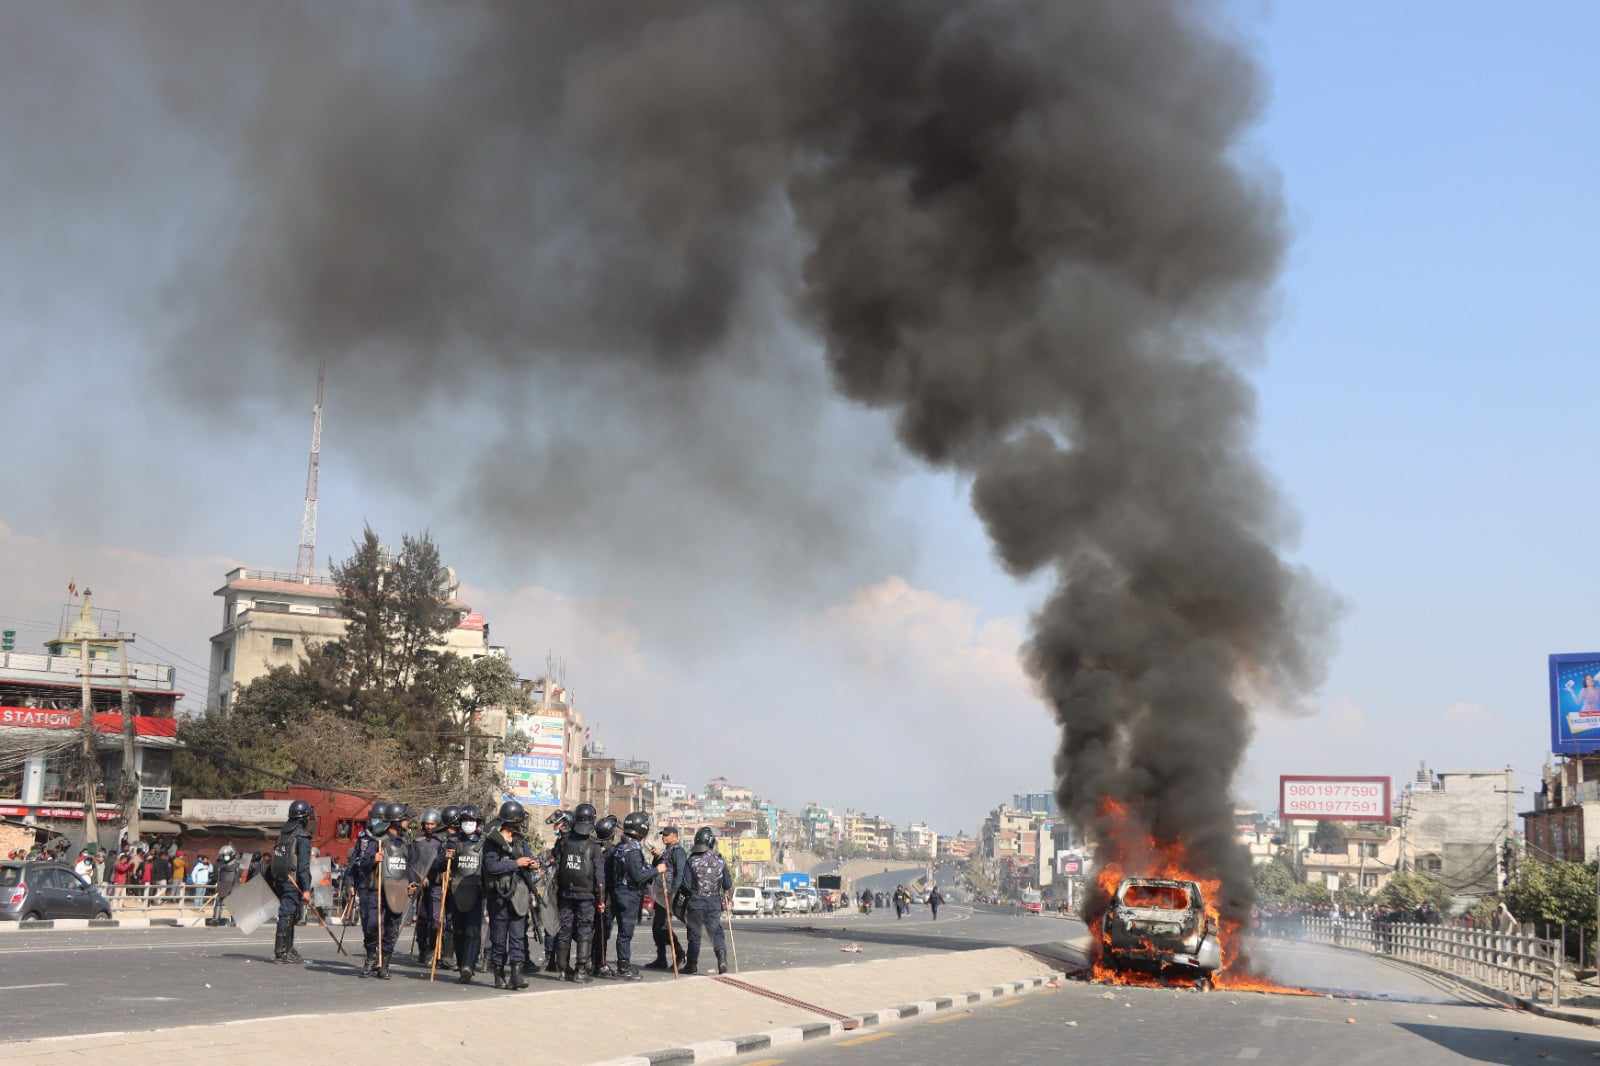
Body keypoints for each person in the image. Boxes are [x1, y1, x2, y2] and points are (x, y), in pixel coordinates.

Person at [482, 800, 541, 990]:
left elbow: (529, 858)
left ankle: (517, 975)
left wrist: (532, 864)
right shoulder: (493, 842)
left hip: (519, 894)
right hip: (499, 895)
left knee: (518, 936)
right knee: (499, 938)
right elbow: (491, 866)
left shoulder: (520, 841)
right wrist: (516, 863)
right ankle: (498, 973)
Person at [348, 801, 408, 978]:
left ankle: (385, 963)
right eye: (373, 818)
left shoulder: (399, 842)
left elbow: (406, 865)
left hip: (393, 888)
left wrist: (411, 883)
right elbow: (356, 863)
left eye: (379, 819)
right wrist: (372, 860)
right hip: (370, 887)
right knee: (370, 925)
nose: (375, 822)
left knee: (391, 926)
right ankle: (371, 957)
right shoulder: (366, 840)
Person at [553, 802, 606, 983]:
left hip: (565, 894)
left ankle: (562, 969)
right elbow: (600, 877)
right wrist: (601, 899)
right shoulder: (595, 847)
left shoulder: (564, 841)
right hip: (587, 896)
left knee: (564, 930)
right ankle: (581, 970)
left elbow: (557, 862)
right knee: (584, 931)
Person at [609, 811, 656, 981]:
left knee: (624, 932)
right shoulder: (633, 850)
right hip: (628, 895)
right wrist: (657, 870)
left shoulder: (620, 846)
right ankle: (623, 967)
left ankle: (623, 964)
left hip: (620, 893)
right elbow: (638, 876)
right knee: (625, 933)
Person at [268, 799, 314, 965]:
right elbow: (303, 866)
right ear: (303, 817)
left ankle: (288, 948)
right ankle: (281, 952)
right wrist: (307, 889)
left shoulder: (283, 834)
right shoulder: (302, 836)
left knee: (291, 914)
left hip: (280, 879)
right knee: (287, 914)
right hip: (293, 880)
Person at [444, 804, 486, 984]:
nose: (468, 823)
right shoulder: (453, 841)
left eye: (471, 820)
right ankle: (462, 965)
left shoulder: (484, 842)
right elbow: (439, 864)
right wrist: (446, 857)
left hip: (476, 890)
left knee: (472, 930)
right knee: (458, 930)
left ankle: (469, 965)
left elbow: (489, 866)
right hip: (456, 890)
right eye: (465, 820)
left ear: (477, 823)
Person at [682, 826, 731, 975]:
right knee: (716, 932)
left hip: (696, 902)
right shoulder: (720, 861)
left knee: (694, 934)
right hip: (714, 902)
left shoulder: (691, 861)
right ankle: (722, 961)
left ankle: (692, 965)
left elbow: (686, 884)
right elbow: (727, 884)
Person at [409, 808, 447, 966]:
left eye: (432, 824)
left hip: (436, 883)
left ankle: (433, 949)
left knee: (436, 919)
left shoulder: (442, 842)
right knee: (422, 919)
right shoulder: (417, 841)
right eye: (427, 824)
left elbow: (444, 863)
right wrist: (418, 878)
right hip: (420, 883)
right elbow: (411, 862)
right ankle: (423, 949)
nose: (430, 826)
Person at [542, 809, 573, 973]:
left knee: (560, 926)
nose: (556, 826)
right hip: (558, 886)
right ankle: (554, 960)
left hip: (564, 886)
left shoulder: (569, 842)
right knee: (556, 925)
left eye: (558, 823)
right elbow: (554, 859)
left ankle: (556, 961)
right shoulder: (561, 842)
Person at [593, 814, 621, 978]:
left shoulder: (591, 846)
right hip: (605, 894)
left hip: (594, 893)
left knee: (595, 931)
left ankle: (594, 961)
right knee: (603, 931)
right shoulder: (612, 851)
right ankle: (599, 963)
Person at [213, 845, 240, 924]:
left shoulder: (236, 864)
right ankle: (216, 918)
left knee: (233, 903)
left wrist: (234, 888)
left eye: (227, 855)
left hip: (232, 885)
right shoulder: (221, 864)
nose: (225, 857)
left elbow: (237, 877)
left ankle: (234, 920)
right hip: (223, 885)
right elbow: (219, 876)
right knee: (218, 901)